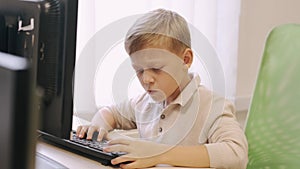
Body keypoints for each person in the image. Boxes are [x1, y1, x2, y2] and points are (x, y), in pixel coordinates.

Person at [76, 8, 248, 169]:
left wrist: (160, 153)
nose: (146, 79)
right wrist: (97, 127)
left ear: (186, 59)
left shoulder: (211, 106)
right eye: (139, 70)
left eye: (156, 69)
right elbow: (111, 113)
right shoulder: (146, 103)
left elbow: (236, 153)